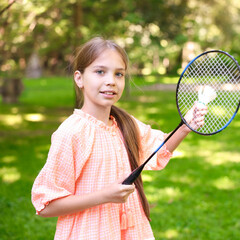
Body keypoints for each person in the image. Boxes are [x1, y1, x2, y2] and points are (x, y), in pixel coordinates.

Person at [31, 37, 208, 239]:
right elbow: (46, 205)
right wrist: (103, 196)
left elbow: (159, 150)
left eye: (119, 74)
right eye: (100, 72)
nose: (111, 81)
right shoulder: (71, 133)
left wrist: (186, 126)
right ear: (79, 78)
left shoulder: (125, 124)